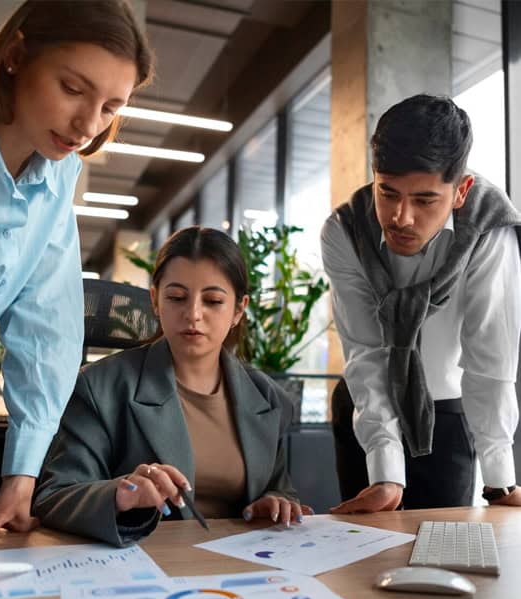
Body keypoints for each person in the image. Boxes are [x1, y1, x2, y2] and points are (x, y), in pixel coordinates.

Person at [0, 0, 153, 597]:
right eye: (72, 88)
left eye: (111, 107)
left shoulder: (58, 172)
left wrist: (22, 470)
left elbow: (48, 321)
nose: (90, 124)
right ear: (15, 57)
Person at [34, 226, 310, 546]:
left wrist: (275, 501)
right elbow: (54, 496)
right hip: (146, 566)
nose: (193, 314)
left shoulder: (266, 395)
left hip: (246, 567)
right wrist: (120, 495)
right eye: (177, 297)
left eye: (213, 301)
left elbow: (280, 487)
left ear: (238, 309)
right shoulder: (99, 387)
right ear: (154, 299)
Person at [321, 94, 521, 514]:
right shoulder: (343, 231)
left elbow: (491, 355)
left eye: (424, 200)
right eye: (387, 193)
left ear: (461, 190)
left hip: (446, 412)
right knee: (362, 550)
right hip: (363, 403)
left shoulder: (489, 228)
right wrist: (386, 471)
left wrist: (500, 480)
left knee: (441, 548)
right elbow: (366, 352)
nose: (401, 217)